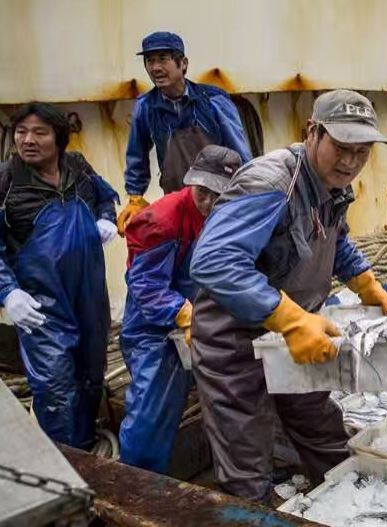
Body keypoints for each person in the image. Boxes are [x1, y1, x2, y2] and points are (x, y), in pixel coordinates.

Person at [189, 89, 387, 501]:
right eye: (341, 147)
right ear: (313, 132)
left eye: (362, 151)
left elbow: (334, 237)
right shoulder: (270, 182)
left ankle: (352, 504)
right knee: (246, 458)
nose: (351, 162)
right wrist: (290, 319)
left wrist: (363, 280)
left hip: (291, 339)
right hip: (235, 342)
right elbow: (212, 261)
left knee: (322, 430)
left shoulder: (331, 184)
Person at [0, 103, 118, 449]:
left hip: (90, 299)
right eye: (21, 132)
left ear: (59, 138)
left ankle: (85, 452)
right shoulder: (6, 183)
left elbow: (105, 196)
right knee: (55, 389)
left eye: (39, 132)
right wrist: (8, 293)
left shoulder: (77, 168)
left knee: (90, 378)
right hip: (41, 308)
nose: (28, 140)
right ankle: (64, 472)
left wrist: (107, 217)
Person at [119, 145, 241, 473]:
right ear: (192, 183)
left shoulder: (233, 215)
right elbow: (146, 287)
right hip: (155, 329)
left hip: (205, 317)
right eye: (203, 192)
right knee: (151, 414)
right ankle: (137, 488)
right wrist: (184, 314)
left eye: (220, 195)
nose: (210, 203)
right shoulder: (161, 219)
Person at [117, 31, 252, 235]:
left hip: (219, 202)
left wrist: (246, 196)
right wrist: (135, 197)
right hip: (178, 203)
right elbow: (137, 156)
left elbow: (240, 153)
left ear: (183, 64)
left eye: (163, 59)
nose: (155, 67)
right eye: (149, 61)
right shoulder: (145, 107)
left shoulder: (213, 101)